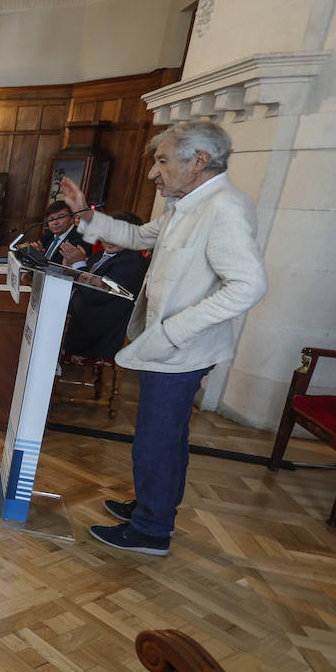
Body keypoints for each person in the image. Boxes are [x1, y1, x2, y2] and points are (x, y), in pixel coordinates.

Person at [62, 120, 268, 556]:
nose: (154, 173)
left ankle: (151, 530)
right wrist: (85, 214)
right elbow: (136, 237)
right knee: (165, 437)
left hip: (182, 349)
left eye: (162, 161)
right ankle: (152, 508)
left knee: (156, 440)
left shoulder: (224, 207)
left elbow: (248, 286)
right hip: (167, 346)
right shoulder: (186, 204)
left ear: (199, 161)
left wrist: (174, 330)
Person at [60, 213, 149, 360]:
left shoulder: (132, 262)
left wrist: (79, 265)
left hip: (97, 338)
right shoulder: (100, 255)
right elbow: (82, 286)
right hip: (77, 326)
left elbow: (98, 294)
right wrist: (70, 269)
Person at [37, 200, 89, 267]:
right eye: (51, 219)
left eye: (60, 217)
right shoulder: (49, 234)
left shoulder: (82, 240)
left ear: (72, 218)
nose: (55, 222)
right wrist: (38, 255)